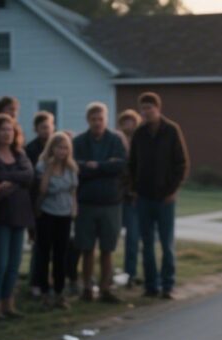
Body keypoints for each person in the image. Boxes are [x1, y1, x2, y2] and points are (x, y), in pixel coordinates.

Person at [129, 92, 189, 300]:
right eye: (143, 108)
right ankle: (150, 286)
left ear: (158, 108)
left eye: (150, 108)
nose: (146, 112)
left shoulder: (171, 130)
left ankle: (167, 285)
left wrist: (173, 190)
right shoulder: (139, 134)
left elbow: (181, 164)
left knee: (166, 243)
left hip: (165, 198)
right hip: (144, 197)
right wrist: (133, 190)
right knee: (146, 244)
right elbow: (132, 164)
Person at [0, 114, 34, 319]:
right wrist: (17, 181)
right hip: (0, 214)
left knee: (14, 263)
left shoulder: (19, 153)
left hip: (20, 214)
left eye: (10, 129)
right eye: (3, 129)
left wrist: (9, 182)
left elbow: (29, 175)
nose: (7, 133)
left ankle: (8, 303)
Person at [73, 102, 126, 304]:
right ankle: (87, 288)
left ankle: (105, 289)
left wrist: (96, 166)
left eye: (100, 119)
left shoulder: (115, 140)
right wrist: (105, 166)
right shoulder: (79, 142)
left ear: (106, 119)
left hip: (110, 202)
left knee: (107, 249)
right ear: (88, 120)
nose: (97, 122)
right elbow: (76, 167)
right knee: (86, 249)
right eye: (93, 119)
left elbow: (120, 165)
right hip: (86, 203)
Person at [34, 132, 78, 309]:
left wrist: (74, 209)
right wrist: (49, 169)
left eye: (66, 148)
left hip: (64, 214)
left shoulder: (71, 167)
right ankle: (44, 293)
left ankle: (60, 292)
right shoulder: (42, 165)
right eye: (59, 147)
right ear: (52, 148)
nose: (62, 151)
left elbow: (73, 190)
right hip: (47, 213)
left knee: (61, 255)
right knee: (44, 254)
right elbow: (43, 190)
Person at [25, 111, 56, 298]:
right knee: (39, 246)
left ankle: (50, 282)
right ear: (36, 129)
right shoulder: (31, 149)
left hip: (56, 203)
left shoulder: (58, 146)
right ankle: (35, 282)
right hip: (38, 203)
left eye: (49, 126)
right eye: (43, 127)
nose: (47, 130)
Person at [117, 109, 142, 288]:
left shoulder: (141, 142)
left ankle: (131, 273)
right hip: (118, 196)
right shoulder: (116, 141)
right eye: (125, 122)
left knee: (133, 237)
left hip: (134, 197)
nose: (128, 125)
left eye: (131, 122)